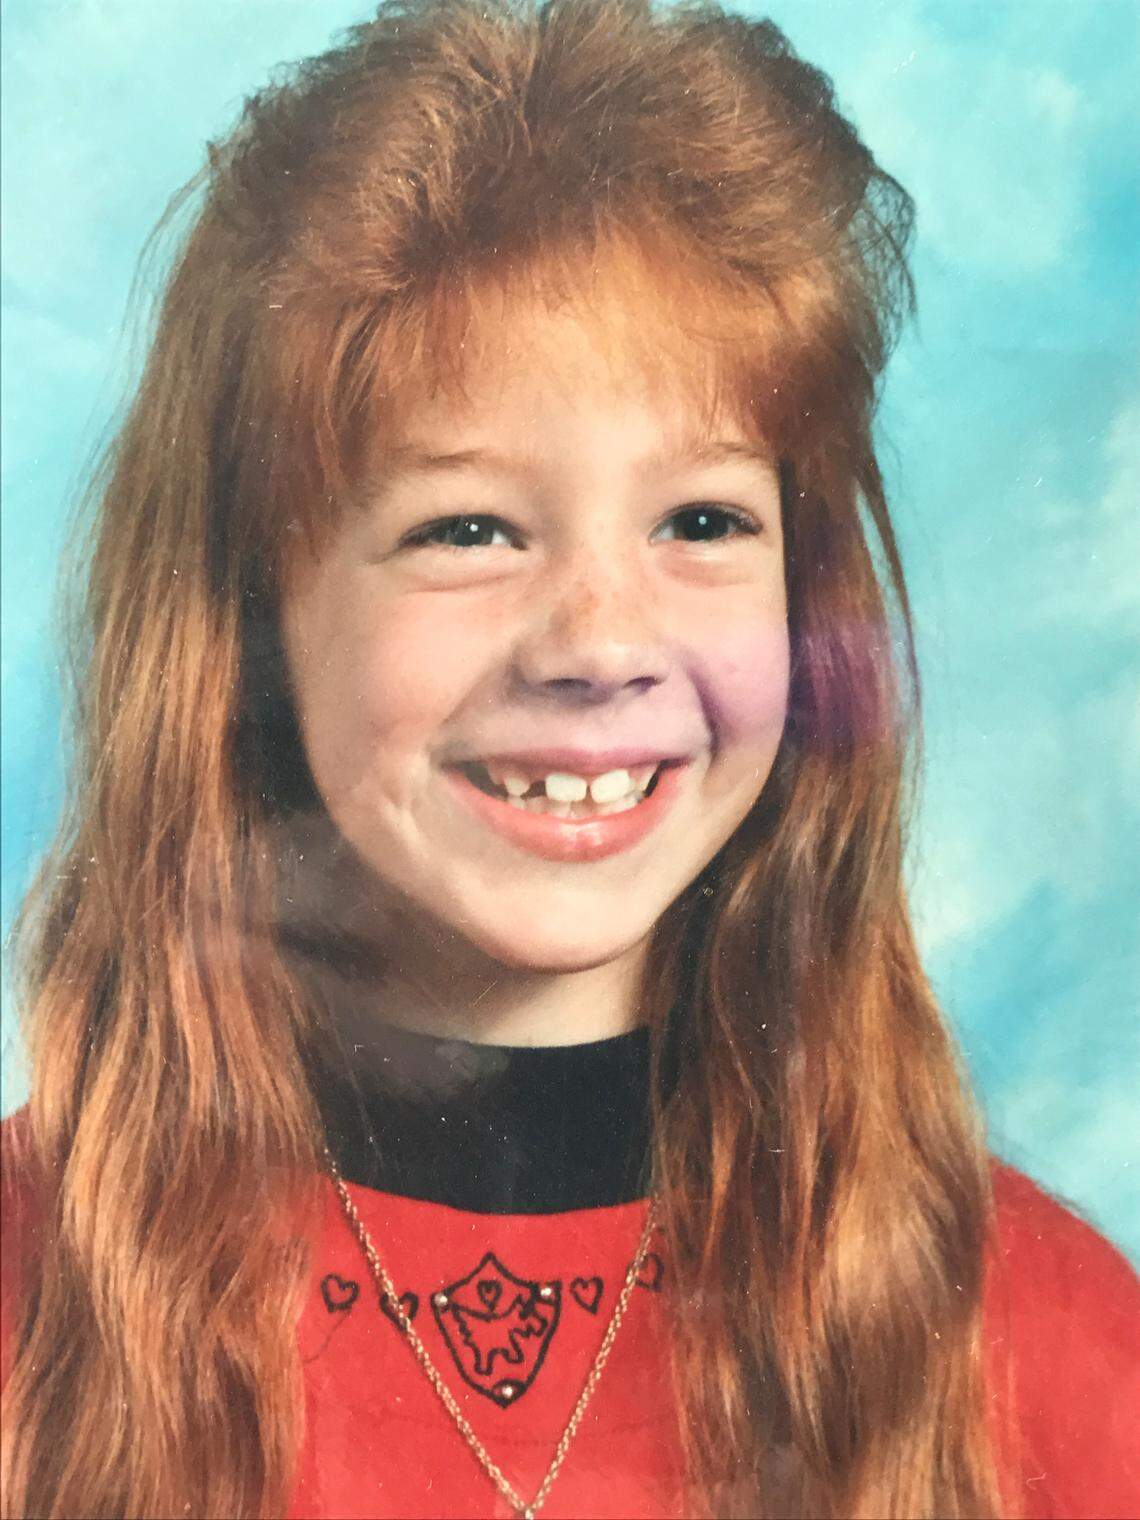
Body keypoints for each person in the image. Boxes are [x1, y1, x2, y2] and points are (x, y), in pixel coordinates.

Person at [1, 0, 1137, 1516]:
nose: (602, 644)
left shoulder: (1043, 1338)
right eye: (467, 527)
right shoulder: (32, 1308)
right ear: (253, 618)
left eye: (703, 520)